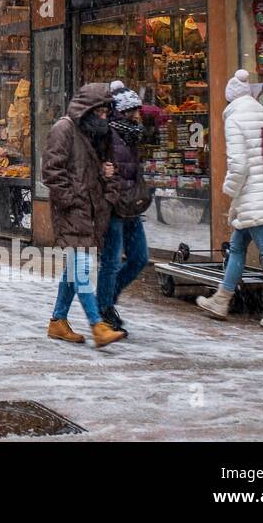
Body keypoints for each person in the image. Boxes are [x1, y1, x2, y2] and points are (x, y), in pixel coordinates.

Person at [196, 69, 263, 330]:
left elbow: (239, 162)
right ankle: (221, 299)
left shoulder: (234, 119)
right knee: (238, 246)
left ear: (230, 98)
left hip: (253, 194)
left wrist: (230, 188)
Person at [41, 83, 126, 348]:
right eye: (99, 112)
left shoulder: (99, 135)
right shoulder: (63, 129)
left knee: (73, 270)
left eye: (106, 112)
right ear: (88, 109)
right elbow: (52, 171)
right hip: (72, 211)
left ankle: (58, 321)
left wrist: (108, 192)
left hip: (92, 211)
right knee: (83, 269)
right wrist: (70, 199)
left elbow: (110, 168)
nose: (104, 117)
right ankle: (97, 324)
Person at [96, 80, 152, 335]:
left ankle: (106, 298)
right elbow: (94, 165)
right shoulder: (106, 133)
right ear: (121, 112)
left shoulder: (132, 135)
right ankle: (104, 308)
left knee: (140, 257)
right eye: (132, 112)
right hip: (114, 206)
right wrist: (104, 174)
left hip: (131, 205)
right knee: (110, 260)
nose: (137, 116)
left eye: (137, 112)